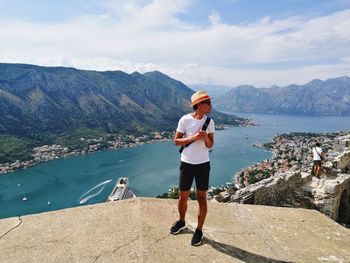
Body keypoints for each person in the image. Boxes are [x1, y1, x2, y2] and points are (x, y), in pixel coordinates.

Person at [170, 90, 215, 246]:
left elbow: (211, 145)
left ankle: (199, 230)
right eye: (208, 102)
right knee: (183, 197)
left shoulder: (210, 122)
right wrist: (193, 138)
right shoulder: (185, 120)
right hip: (187, 164)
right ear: (199, 105)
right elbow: (176, 141)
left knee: (202, 198)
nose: (210, 105)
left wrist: (205, 138)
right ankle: (182, 221)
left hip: (203, 164)